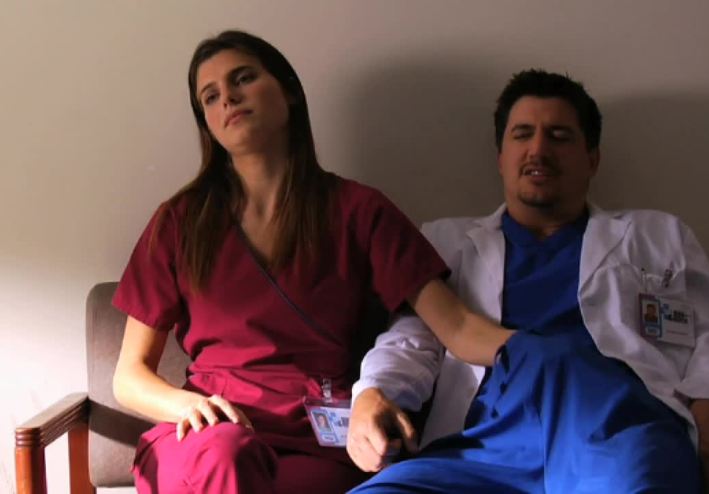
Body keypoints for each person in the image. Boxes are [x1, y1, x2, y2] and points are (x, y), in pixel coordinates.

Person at [111, 30, 511, 494]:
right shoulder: (181, 221)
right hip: (207, 434)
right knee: (226, 455)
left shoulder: (360, 211)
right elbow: (129, 377)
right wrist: (184, 406)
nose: (228, 99)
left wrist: (545, 351)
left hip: (315, 439)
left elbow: (456, 325)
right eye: (211, 96)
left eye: (243, 79)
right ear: (208, 124)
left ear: (290, 92)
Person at [348, 69, 709, 493]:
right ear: (501, 157)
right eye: (522, 135)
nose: (538, 150)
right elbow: (410, 341)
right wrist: (373, 391)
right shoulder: (446, 242)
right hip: (482, 450)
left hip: (617, 435)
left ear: (592, 159)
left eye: (559, 137)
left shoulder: (657, 235)